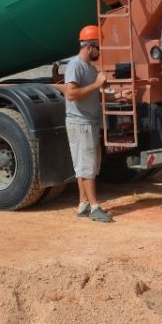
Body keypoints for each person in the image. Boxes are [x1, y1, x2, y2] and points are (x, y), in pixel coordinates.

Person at [59, 25, 114, 221]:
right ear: (90, 47)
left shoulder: (90, 69)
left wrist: (117, 95)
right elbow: (71, 94)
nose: (100, 52)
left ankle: (83, 204)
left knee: (85, 165)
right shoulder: (75, 65)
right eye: (98, 47)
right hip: (80, 123)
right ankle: (95, 207)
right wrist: (97, 84)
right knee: (87, 165)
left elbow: (95, 93)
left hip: (89, 123)